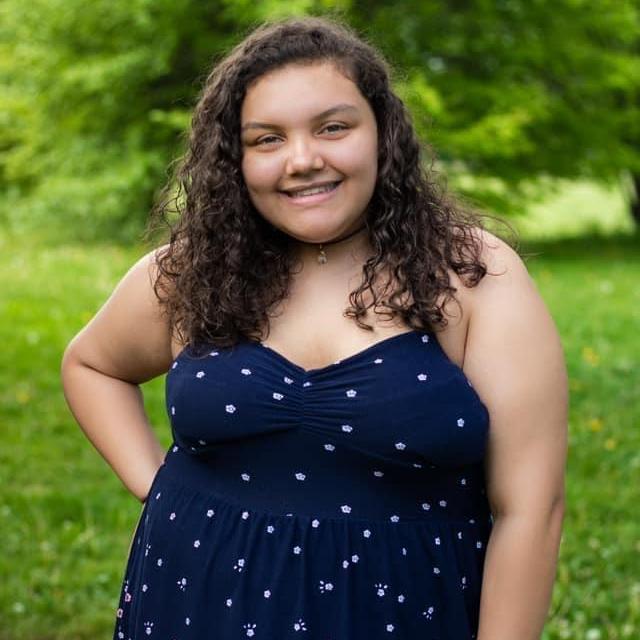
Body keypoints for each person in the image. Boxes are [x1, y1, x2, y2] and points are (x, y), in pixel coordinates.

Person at [60, 16, 568, 640]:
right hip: (198, 601)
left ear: (382, 133)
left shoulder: (472, 275)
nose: (303, 160)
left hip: (401, 613)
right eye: (267, 139)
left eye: (333, 127)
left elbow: (531, 510)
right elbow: (92, 365)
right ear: (236, 158)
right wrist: (159, 486)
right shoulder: (194, 270)